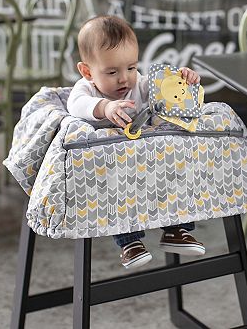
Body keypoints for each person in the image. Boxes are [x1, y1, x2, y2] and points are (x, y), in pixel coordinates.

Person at [67, 15, 205, 269]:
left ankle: (177, 228)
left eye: (131, 68)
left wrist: (183, 79)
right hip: (114, 166)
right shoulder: (85, 90)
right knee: (118, 192)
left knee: (174, 171)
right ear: (87, 71)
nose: (124, 79)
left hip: (148, 159)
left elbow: (166, 91)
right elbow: (75, 105)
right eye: (112, 71)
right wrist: (104, 107)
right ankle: (129, 242)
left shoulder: (139, 85)